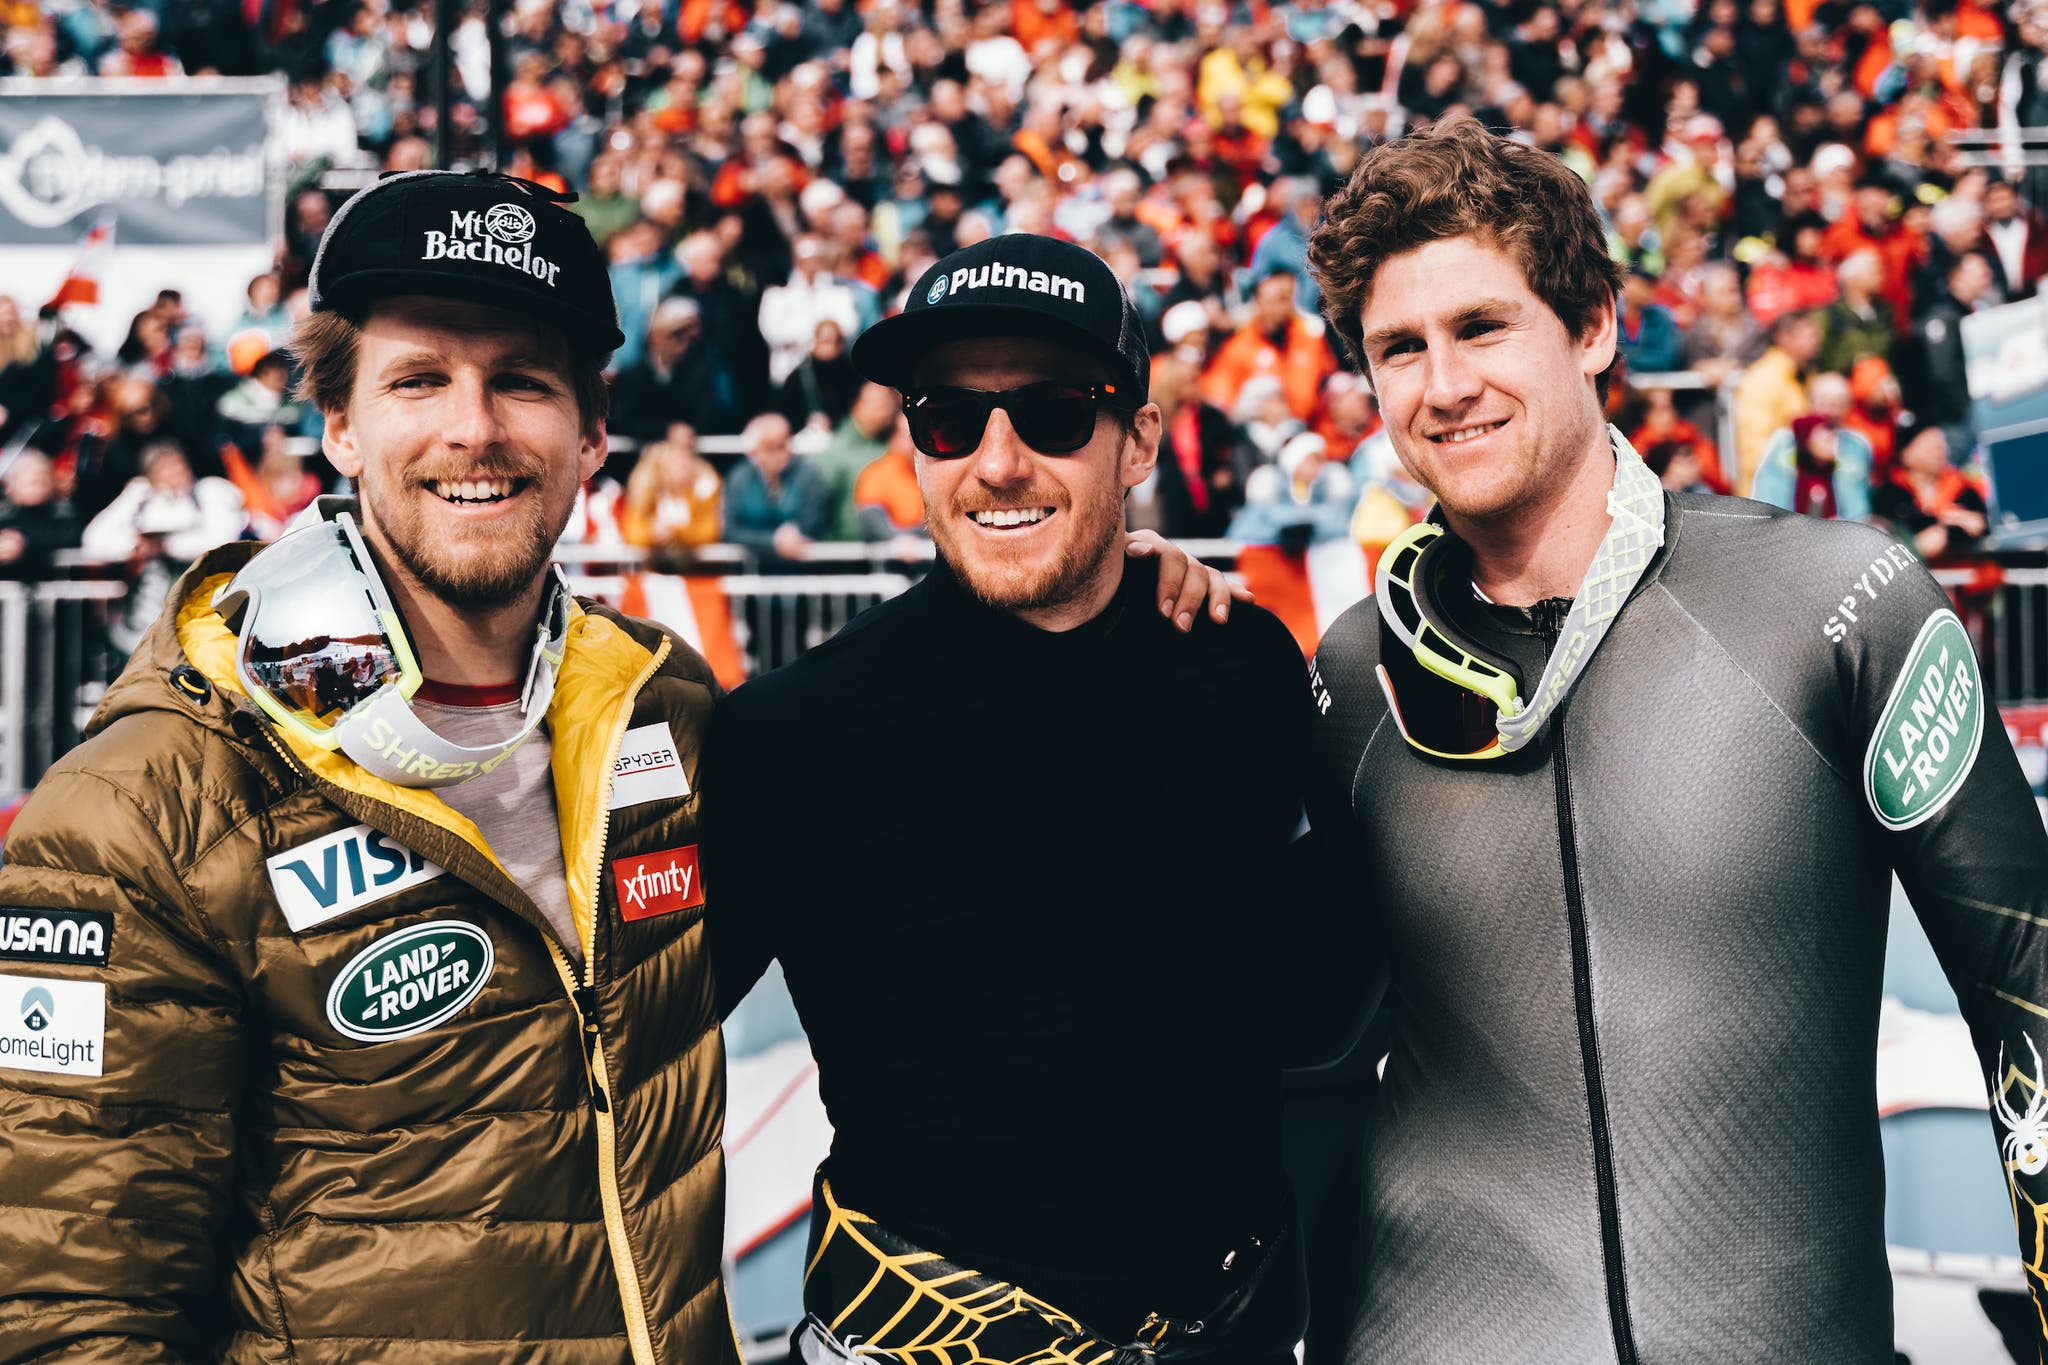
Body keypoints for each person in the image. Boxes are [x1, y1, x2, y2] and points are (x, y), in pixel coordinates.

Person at [1303, 116, 2048, 1363]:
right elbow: (1279, 1060)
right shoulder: (1347, 673)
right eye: (1398, 349)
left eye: (1482, 327)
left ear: (1592, 324)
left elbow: (2028, 987)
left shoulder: (1837, 606)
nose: (1441, 385)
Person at [0, 170, 746, 1362]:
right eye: (418, 380)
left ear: (592, 431)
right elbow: (65, 1310)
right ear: (339, 425)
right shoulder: (146, 802)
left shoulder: (671, 720)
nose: (474, 427)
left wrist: (1143, 611)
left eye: (521, 380)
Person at [701, 233, 1314, 1365]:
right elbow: (630, 1070)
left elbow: (1332, 997)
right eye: (948, 417)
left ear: (1136, 441)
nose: (996, 461)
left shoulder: (1242, 666)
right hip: (921, 1335)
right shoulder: (793, 732)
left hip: (1237, 1324)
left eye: (1052, 415)